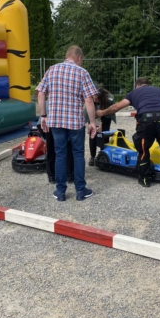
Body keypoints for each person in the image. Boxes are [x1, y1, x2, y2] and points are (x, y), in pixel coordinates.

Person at [97, 77, 160, 190]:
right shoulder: (159, 91)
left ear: (137, 86)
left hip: (145, 121)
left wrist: (101, 112)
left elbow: (116, 107)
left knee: (143, 149)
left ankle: (145, 179)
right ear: (148, 84)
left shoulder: (134, 93)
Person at [36, 45, 98, 202]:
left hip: (56, 122)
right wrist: (92, 122)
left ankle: (60, 191)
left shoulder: (51, 70)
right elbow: (89, 100)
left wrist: (43, 116)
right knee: (78, 154)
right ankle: (80, 190)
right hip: (75, 122)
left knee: (60, 154)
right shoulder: (82, 72)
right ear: (79, 57)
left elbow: (41, 94)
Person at [36, 99, 74, 183]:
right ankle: (61, 174)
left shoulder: (52, 98)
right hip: (52, 123)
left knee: (58, 149)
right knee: (60, 149)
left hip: (57, 122)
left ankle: (60, 174)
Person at [84, 87, 116, 166]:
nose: (95, 100)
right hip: (94, 117)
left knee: (104, 135)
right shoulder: (91, 98)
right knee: (92, 136)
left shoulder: (109, 100)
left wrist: (101, 124)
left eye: (97, 99)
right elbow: (87, 113)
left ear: (102, 98)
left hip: (106, 117)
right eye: (94, 99)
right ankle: (92, 156)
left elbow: (109, 113)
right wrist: (92, 124)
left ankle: (103, 154)